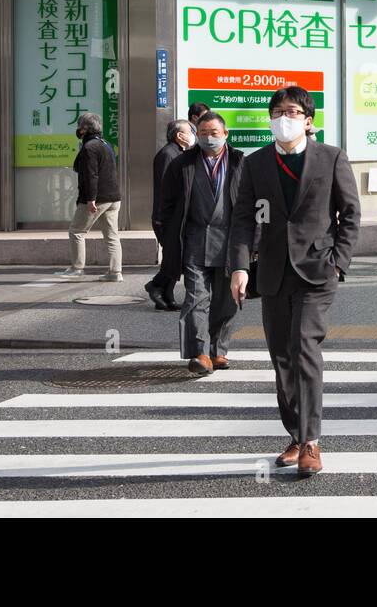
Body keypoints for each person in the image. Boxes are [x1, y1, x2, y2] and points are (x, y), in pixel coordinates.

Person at [228, 85, 361, 478]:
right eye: (276, 112)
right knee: (282, 357)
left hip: (317, 271)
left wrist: (339, 261)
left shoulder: (331, 158)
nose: (282, 119)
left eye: (291, 112)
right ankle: (295, 432)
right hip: (271, 272)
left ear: (308, 120)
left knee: (303, 348)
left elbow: (350, 214)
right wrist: (239, 267)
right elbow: (242, 220)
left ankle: (311, 442)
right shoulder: (255, 164)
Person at [157, 112, 243, 375]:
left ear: (225, 134)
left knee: (228, 300)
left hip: (230, 242)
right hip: (194, 240)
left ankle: (219, 350)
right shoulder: (182, 163)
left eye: (214, 133)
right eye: (203, 133)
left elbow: (251, 205)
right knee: (196, 297)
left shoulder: (240, 162)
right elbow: (166, 204)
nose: (208, 138)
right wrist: (168, 238)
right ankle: (200, 353)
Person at [58, 113, 123, 281]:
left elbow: (91, 175)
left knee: (77, 231)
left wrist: (91, 199)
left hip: (97, 198)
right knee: (111, 236)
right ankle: (115, 272)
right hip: (113, 197)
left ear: (85, 128)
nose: (78, 130)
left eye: (80, 126)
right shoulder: (105, 144)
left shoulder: (89, 148)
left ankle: (76, 268)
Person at [144, 119, 193, 311]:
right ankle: (156, 286)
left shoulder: (178, 153)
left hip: (175, 215)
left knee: (174, 256)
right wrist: (161, 217)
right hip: (167, 217)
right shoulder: (168, 155)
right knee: (174, 256)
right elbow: (165, 190)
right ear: (180, 135)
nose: (192, 135)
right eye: (190, 131)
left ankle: (166, 296)